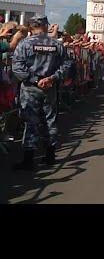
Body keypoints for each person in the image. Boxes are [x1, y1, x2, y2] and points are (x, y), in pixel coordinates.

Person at [11, 15, 73, 171]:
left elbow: (17, 67)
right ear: (46, 26)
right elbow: (66, 65)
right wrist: (52, 78)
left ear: (31, 27)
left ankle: (28, 160)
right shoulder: (56, 45)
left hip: (30, 88)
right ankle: (50, 156)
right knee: (50, 120)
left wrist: (35, 79)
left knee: (30, 122)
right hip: (50, 88)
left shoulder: (24, 44)